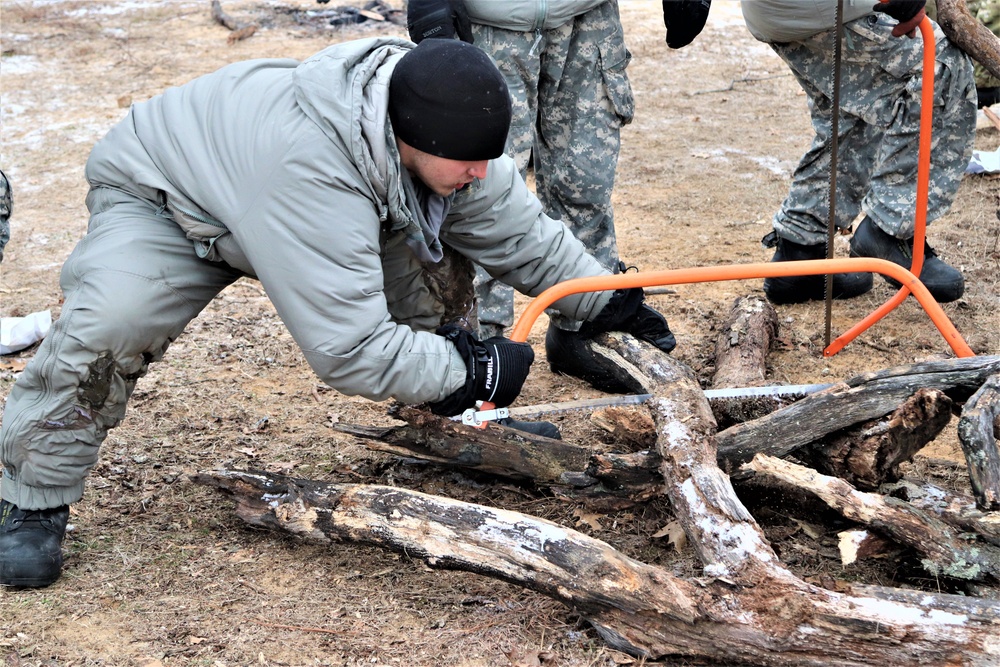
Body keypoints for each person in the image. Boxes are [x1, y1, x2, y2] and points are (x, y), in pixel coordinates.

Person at [0, 38, 677, 588]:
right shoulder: (313, 165)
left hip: (316, 194)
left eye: (485, 160)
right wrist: (470, 368)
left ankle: (454, 428)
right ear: (412, 139)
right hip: (171, 203)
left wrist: (606, 300)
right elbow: (349, 348)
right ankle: (30, 499)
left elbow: (519, 231)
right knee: (109, 326)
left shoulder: (449, 134)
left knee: (431, 261)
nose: (481, 171)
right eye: (468, 163)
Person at [405, 0, 709, 392]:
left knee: (586, 184)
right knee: (473, 192)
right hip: (488, 21)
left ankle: (585, 326)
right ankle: (475, 349)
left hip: (588, 16)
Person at [742, 0, 977, 305]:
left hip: (792, 12)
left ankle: (799, 255)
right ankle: (890, 229)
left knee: (855, 109)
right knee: (944, 64)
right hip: (817, 10)